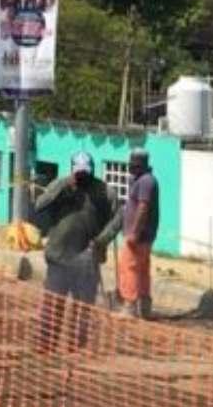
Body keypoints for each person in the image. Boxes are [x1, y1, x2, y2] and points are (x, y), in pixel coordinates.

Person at [31, 151, 113, 352]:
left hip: (86, 258)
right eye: (78, 173)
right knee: (53, 304)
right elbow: (39, 205)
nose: (82, 177)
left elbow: (117, 219)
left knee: (82, 307)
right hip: (59, 256)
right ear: (72, 171)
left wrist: (102, 240)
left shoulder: (103, 191)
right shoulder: (61, 186)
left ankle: (76, 347)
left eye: (86, 173)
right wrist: (63, 186)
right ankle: (46, 344)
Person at [100, 148, 161, 320]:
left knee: (129, 268)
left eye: (133, 165)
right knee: (141, 270)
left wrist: (134, 232)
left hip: (138, 236)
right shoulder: (141, 180)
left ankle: (130, 306)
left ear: (141, 164)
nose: (130, 168)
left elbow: (143, 207)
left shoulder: (146, 182)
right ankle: (144, 307)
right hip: (144, 235)